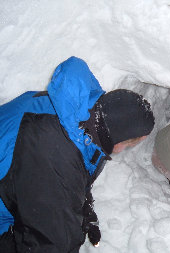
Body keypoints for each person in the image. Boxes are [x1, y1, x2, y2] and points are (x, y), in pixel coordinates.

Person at [0, 56, 155, 252]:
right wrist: (66, 220)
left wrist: (83, 208)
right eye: (128, 144)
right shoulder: (55, 157)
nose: (124, 149)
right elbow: (49, 244)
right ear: (118, 140)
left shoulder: (72, 111)